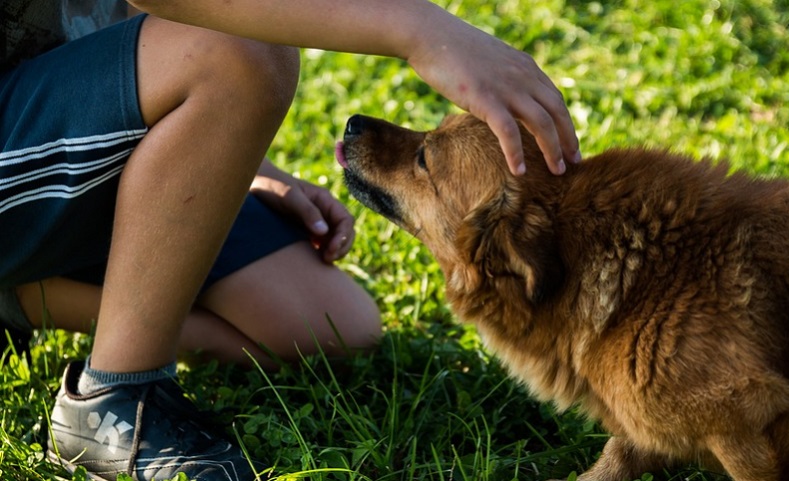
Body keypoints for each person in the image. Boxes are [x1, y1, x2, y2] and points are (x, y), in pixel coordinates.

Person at [0, 0, 580, 480]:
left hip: (73, 124)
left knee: (330, 327)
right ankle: (114, 401)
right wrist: (424, 31)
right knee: (241, 52)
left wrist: (227, 147)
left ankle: (19, 297)